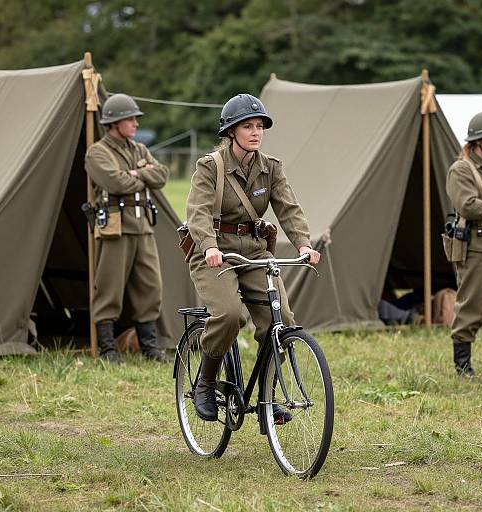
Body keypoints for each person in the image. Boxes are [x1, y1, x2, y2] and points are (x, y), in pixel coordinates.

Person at [186, 93, 320, 421]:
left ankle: (266, 397)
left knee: (282, 323)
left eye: (260, 126)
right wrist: (210, 247)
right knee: (230, 315)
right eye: (248, 126)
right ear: (231, 131)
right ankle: (206, 381)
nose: (256, 132)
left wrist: (303, 243)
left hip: (255, 251)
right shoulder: (210, 167)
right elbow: (198, 213)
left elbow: (288, 208)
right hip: (214, 252)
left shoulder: (270, 168)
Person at [85, 93, 170, 364]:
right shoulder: (98, 151)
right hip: (115, 228)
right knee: (109, 288)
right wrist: (138, 175)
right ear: (114, 122)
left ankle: (149, 348)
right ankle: (108, 349)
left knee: (151, 287)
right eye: (129, 119)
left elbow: (162, 175)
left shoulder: (138, 149)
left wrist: (137, 174)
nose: (134, 123)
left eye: (134, 119)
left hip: (142, 226)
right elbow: (115, 183)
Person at [446, 111, 482, 376]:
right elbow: (468, 205)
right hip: (477, 247)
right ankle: (463, 366)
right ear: (478, 141)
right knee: (472, 307)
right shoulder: (462, 170)